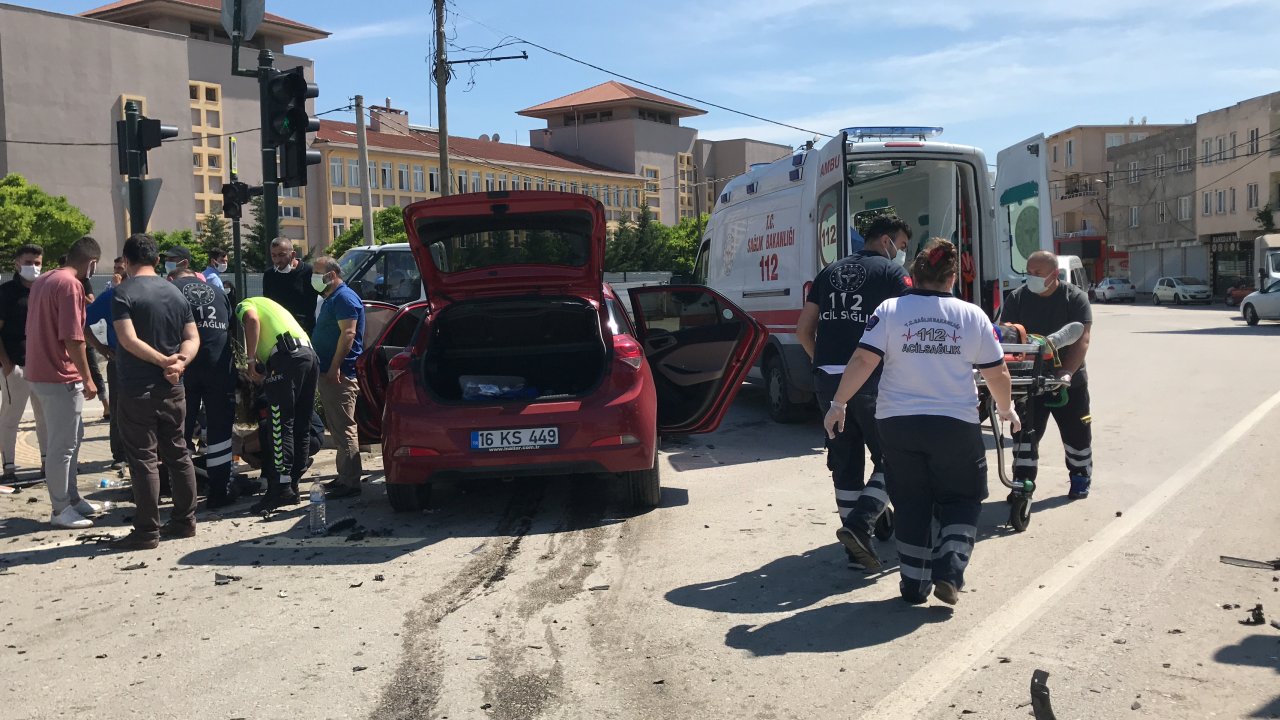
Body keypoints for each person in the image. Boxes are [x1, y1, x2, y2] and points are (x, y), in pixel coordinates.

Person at [823, 239, 1019, 606]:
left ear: (914, 274)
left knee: (911, 500)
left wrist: (838, 403)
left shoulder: (890, 310)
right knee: (962, 497)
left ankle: (914, 584)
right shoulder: (972, 315)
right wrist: (1006, 409)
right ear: (952, 277)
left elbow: (863, 361)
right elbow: (998, 372)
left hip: (898, 424)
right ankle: (949, 568)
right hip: (955, 424)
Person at [797, 215, 912, 571]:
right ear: (887, 241)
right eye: (903, 246)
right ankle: (862, 524)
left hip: (828, 381)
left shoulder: (828, 273)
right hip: (872, 379)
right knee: (897, 457)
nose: (903, 253)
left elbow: (804, 330)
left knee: (844, 463)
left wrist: (827, 365)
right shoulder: (893, 276)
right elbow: (910, 322)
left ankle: (855, 550)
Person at [110, 234, 201, 550]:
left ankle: (147, 530)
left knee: (144, 458)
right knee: (178, 451)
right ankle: (185, 520)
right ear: (158, 261)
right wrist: (179, 364)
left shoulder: (123, 293)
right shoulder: (175, 293)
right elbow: (192, 337)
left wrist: (164, 361)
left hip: (137, 389)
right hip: (173, 389)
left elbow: (127, 339)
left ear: (126, 260)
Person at [997, 250, 1094, 499]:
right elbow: (1007, 337)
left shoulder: (1075, 298)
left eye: (1037, 273)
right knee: (1024, 433)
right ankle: (1022, 482)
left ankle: (1080, 476)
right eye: (1028, 272)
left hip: (1067, 380)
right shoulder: (1017, 299)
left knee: (1077, 433)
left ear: (1054, 275)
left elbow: (1081, 339)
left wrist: (1067, 372)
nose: (1031, 277)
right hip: (1030, 379)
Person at [25, 236, 102, 528]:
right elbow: (73, 337)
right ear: (91, 263)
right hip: (60, 376)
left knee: (71, 438)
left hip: (39, 372)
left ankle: (70, 498)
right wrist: (89, 377)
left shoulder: (45, 280)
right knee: (63, 446)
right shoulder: (71, 286)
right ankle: (60, 509)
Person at [168, 246, 238, 508]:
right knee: (219, 430)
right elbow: (230, 327)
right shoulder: (218, 293)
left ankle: (183, 494)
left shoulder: (171, 290)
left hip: (185, 366)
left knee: (181, 429)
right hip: (219, 367)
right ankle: (220, 491)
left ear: (174, 277)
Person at [235, 295, 318, 513]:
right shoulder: (273, 307)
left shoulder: (246, 304)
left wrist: (250, 360)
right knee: (301, 424)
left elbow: (251, 320)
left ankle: (279, 489)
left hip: (286, 357)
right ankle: (292, 486)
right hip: (308, 356)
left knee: (280, 426)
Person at [309, 256, 366, 499]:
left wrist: (335, 367)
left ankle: (351, 482)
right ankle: (344, 476)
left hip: (340, 374)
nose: (314, 278)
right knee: (337, 426)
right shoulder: (333, 298)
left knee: (344, 428)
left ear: (331, 275)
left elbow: (349, 333)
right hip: (330, 372)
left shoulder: (344, 297)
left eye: (317, 273)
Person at [0, 244, 48, 483]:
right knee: (11, 417)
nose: (33, 267)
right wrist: (6, 363)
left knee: (45, 417)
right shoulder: (6, 292)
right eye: (29, 262)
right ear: (17, 263)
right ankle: (9, 467)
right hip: (15, 365)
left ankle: (47, 464)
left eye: (37, 263)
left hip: (42, 366)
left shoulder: (45, 289)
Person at [84, 263, 127, 469]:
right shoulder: (111, 296)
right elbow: (83, 322)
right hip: (120, 360)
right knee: (118, 409)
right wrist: (102, 349)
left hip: (148, 362)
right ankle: (120, 454)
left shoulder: (154, 291)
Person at [263, 237, 320, 334]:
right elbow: (268, 303)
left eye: (281, 255)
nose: (277, 260)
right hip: (279, 332)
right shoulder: (269, 274)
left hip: (304, 332)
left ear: (293, 254)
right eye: (274, 256)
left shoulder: (309, 272)